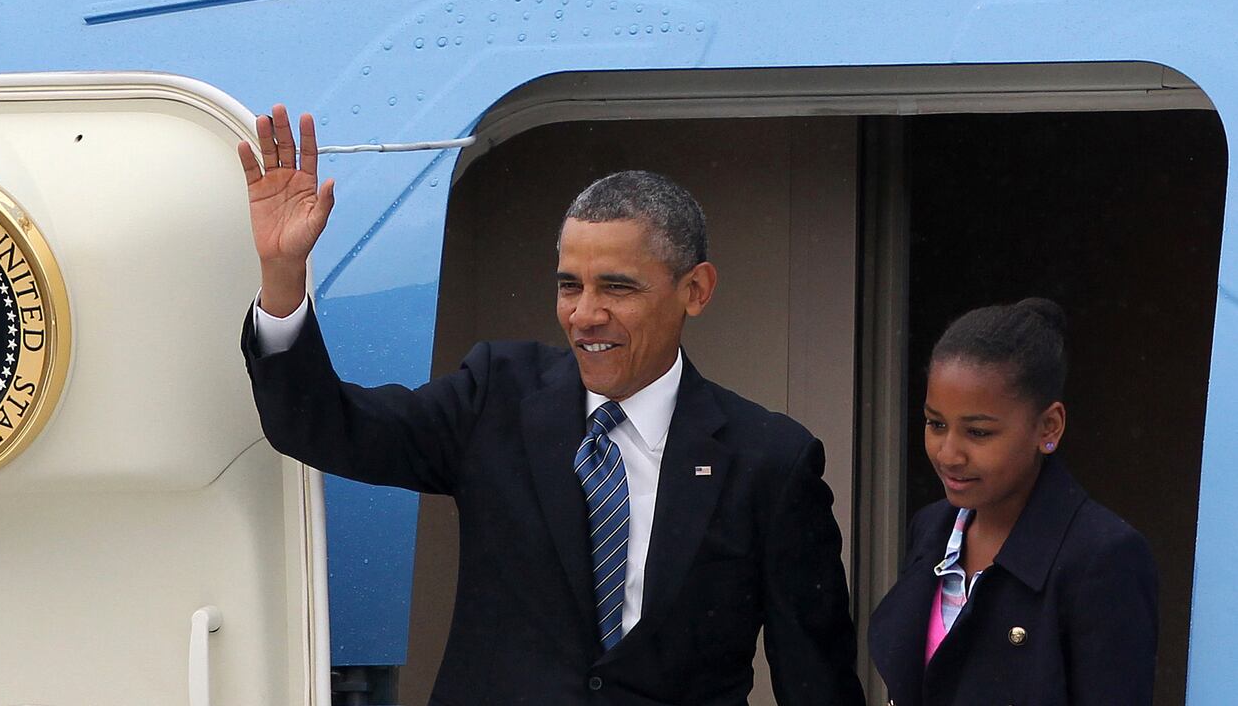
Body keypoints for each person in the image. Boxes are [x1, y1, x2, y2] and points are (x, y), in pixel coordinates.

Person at [238, 104, 865, 706]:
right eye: (570, 286)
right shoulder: (496, 396)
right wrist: (283, 274)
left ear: (695, 290)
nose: (585, 315)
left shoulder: (769, 461)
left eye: (617, 287)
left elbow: (815, 680)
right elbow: (320, 427)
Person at [869, 298, 1158, 706]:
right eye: (936, 424)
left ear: (1049, 427)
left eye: (978, 432)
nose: (949, 454)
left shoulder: (1103, 556)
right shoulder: (932, 529)